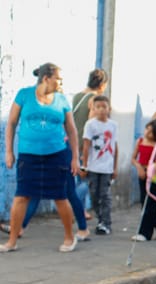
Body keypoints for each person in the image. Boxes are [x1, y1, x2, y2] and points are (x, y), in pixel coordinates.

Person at [2, 63, 80, 253]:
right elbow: (11, 123)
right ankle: (12, 241)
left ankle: (70, 238)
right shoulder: (24, 95)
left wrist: (75, 157)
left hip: (56, 155)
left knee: (60, 197)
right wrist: (9, 152)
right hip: (28, 156)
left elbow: (71, 129)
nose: (60, 83)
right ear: (46, 78)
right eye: (58, 79)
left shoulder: (61, 100)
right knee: (21, 197)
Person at [73, 68, 109, 223]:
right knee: (90, 179)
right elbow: (92, 124)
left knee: (81, 177)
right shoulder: (95, 99)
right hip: (86, 144)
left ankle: (81, 210)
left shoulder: (77, 96)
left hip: (73, 141)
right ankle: (72, 202)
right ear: (102, 84)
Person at [80, 95, 119, 235]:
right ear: (93, 109)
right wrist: (84, 166)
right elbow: (86, 146)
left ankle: (106, 223)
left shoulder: (113, 125)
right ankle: (100, 219)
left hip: (107, 167)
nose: (101, 110)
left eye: (104, 107)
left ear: (109, 109)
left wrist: (115, 167)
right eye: (98, 107)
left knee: (105, 195)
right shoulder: (90, 125)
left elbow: (115, 146)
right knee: (94, 195)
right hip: (93, 166)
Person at [131, 119, 156, 241]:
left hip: (154, 176)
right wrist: (139, 168)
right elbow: (133, 158)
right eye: (147, 129)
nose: (147, 133)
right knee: (144, 203)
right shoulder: (140, 141)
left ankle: (145, 233)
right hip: (143, 174)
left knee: (151, 203)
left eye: (151, 132)